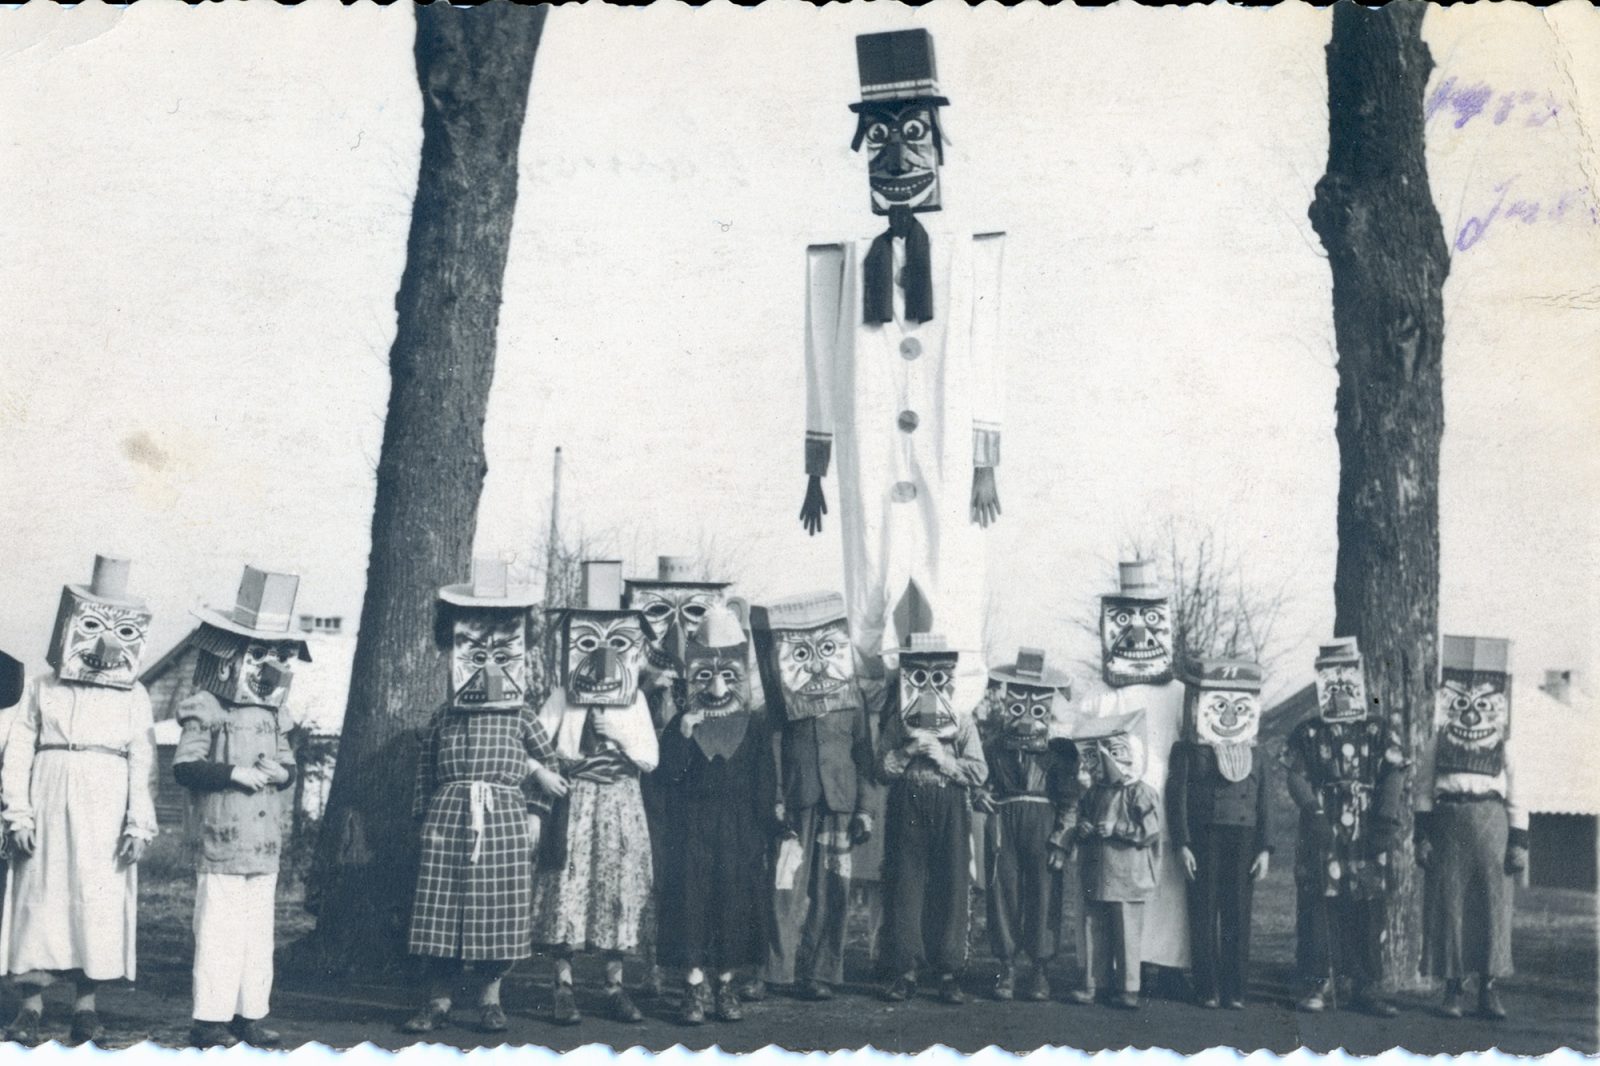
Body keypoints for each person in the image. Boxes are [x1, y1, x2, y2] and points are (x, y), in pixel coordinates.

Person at [797, 27, 1007, 722]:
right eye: (878, 140)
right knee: (875, 568)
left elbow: (984, 351)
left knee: (946, 570)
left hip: (944, 444)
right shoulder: (842, 263)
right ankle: (877, 705)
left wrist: (983, 455)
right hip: (874, 449)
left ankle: (955, 706)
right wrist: (817, 462)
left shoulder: (965, 258)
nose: (894, 156)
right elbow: (822, 358)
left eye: (912, 134)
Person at [1, 556, 158, 1047]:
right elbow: (19, 749)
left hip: (105, 801)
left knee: (96, 898)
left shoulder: (132, 695)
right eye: (91, 626)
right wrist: (17, 811)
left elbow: (141, 759)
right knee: (39, 895)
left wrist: (138, 823)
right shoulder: (41, 687)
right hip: (48, 791)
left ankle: (86, 1008)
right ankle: (30, 1006)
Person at [402, 559, 554, 1036]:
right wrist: (423, 821)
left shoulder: (523, 716)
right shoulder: (445, 718)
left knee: (500, 913)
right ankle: (438, 1001)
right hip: (447, 820)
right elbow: (424, 776)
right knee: (441, 912)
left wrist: (536, 812)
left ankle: (491, 1000)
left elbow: (551, 770)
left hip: (506, 817)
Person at [174, 567, 310, 1048]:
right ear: (230, 658)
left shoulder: (276, 713)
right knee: (218, 930)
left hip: (263, 841)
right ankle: (207, 1019)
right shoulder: (208, 705)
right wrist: (233, 773)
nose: (271, 666)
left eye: (280, 656)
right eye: (260, 654)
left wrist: (281, 773)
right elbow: (186, 766)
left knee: (257, 934)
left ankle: (249, 1013)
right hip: (224, 838)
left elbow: (288, 762)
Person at [529, 561, 658, 1026]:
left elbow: (649, 757)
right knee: (567, 887)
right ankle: (562, 983)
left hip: (620, 799)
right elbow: (535, 741)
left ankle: (613, 984)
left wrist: (616, 734)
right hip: (578, 798)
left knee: (616, 888)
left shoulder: (636, 699)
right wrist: (543, 771)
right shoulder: (564, 692)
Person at [747, 591, 879, 1001]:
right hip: (797, 803)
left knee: (832, 890)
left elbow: (866, 758)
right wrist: (775, 799)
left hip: (839, 805)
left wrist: (866, 810)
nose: (819, 664)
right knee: (783, 886)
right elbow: (771, 751)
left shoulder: (852, 701)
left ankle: (820, 972)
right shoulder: (783, 702)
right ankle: (775, 971)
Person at [654, 604, 776, 1024]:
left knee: (732, 905)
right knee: (690, 906)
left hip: (739, 830)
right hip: (691, 829)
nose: (718, 686)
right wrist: (684, 735)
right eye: (707, 675)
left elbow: (765, 782)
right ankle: (692, 989)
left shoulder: (754, 726)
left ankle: (724, 986)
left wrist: (768, 828)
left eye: (728, 675)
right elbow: (666, 778)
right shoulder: (680, 723)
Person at [624, 555, 734, 998]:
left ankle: (692, 966)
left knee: (689, 876)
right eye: (657, 611)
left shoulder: (712, 667)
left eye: (691, 613)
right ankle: (653, 963)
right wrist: (647, 688)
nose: (674, 629)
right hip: (647, 780)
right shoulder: (633, 660)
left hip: (692, 791)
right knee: (653, 869)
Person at [1079, 560, 1191, 990]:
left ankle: (1167, 964)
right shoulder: (1098, 696)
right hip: (1115, 813)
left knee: (1169, 889)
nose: (1139, 632)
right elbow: (1083, 757)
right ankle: (1121, 969)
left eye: (1151, 618)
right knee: (1116, 891)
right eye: (1125, 618)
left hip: (1166, 805)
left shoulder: (1181, 694)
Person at [1284, 637, 1406, 1016]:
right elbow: (1296, 775)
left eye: (1347, 676)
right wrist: (1313, 810)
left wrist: (1386, 820)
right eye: (1330, 677)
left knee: (1368, 906)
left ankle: (1365, 986)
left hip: (1368, 830)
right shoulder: (1308, 731)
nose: (1339, 686)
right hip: (1323, 828)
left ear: (1360, 678)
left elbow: (1394, 775)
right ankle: (1317, 983)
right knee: (1320, 904)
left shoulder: (1379, 728)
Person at [1416, 635, 1524, 1020]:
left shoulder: (1504, 744)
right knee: (1450, 906)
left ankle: (1489, 990)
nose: (1472, 713)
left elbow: (1519, 794)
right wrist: (1422, 836)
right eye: (1462, 701)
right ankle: (1452, 989)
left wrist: (1519, 842)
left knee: (1492, 906)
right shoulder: (1439, 740)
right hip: (1449, 825)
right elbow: (1423, 791)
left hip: (1492, 824)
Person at [877, 633, 987, 1005]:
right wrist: (907, 751)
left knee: (952, 884)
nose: (927, 685)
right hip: (907, 801)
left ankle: (948, 971)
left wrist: (945, 758)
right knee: (906, 885)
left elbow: (979, 771)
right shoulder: (896, 720)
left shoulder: (963, 721)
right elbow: (882, 767)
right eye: (917, 675)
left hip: (950, 802)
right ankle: (905, 969)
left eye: (938, 676)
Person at [973, 648, 1076, 1002]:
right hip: (1004, 823)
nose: (1028, 713)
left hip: (1043, 826)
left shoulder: (1060, 752)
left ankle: (1040, 969)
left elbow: (1070, 801)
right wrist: (980, 796)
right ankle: (1006, 967)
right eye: (1018, 702)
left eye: (1038, 704)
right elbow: (979, 783)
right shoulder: (993, 747)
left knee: (1044, 896)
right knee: (1003, 893)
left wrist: (1061, 842)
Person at [1169, 657, 1271, 1010]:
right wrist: (1182, 843)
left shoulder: (1256, 753)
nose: (1229, 716)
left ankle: (1236, 990)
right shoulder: (1188, 749)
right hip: (1203, 836)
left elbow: (1264, 801)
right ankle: (1206, 987)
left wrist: (1265, 848)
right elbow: (1177, 796)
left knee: (1237, 914)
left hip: (1243, 838)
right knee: (1203, 910)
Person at [1068, 710, 1161, 1011]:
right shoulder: (1093, 792)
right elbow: (1080, 817)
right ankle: (1096, 983)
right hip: (1096, 870)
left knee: (1127, 934)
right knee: (1095, 930)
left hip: (1128, 874)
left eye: (1115, 752)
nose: (1107, 761)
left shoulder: (1141, 792)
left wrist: (1119, 829)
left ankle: (1128, 987)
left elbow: (1152, 830)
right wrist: (1081, 828)